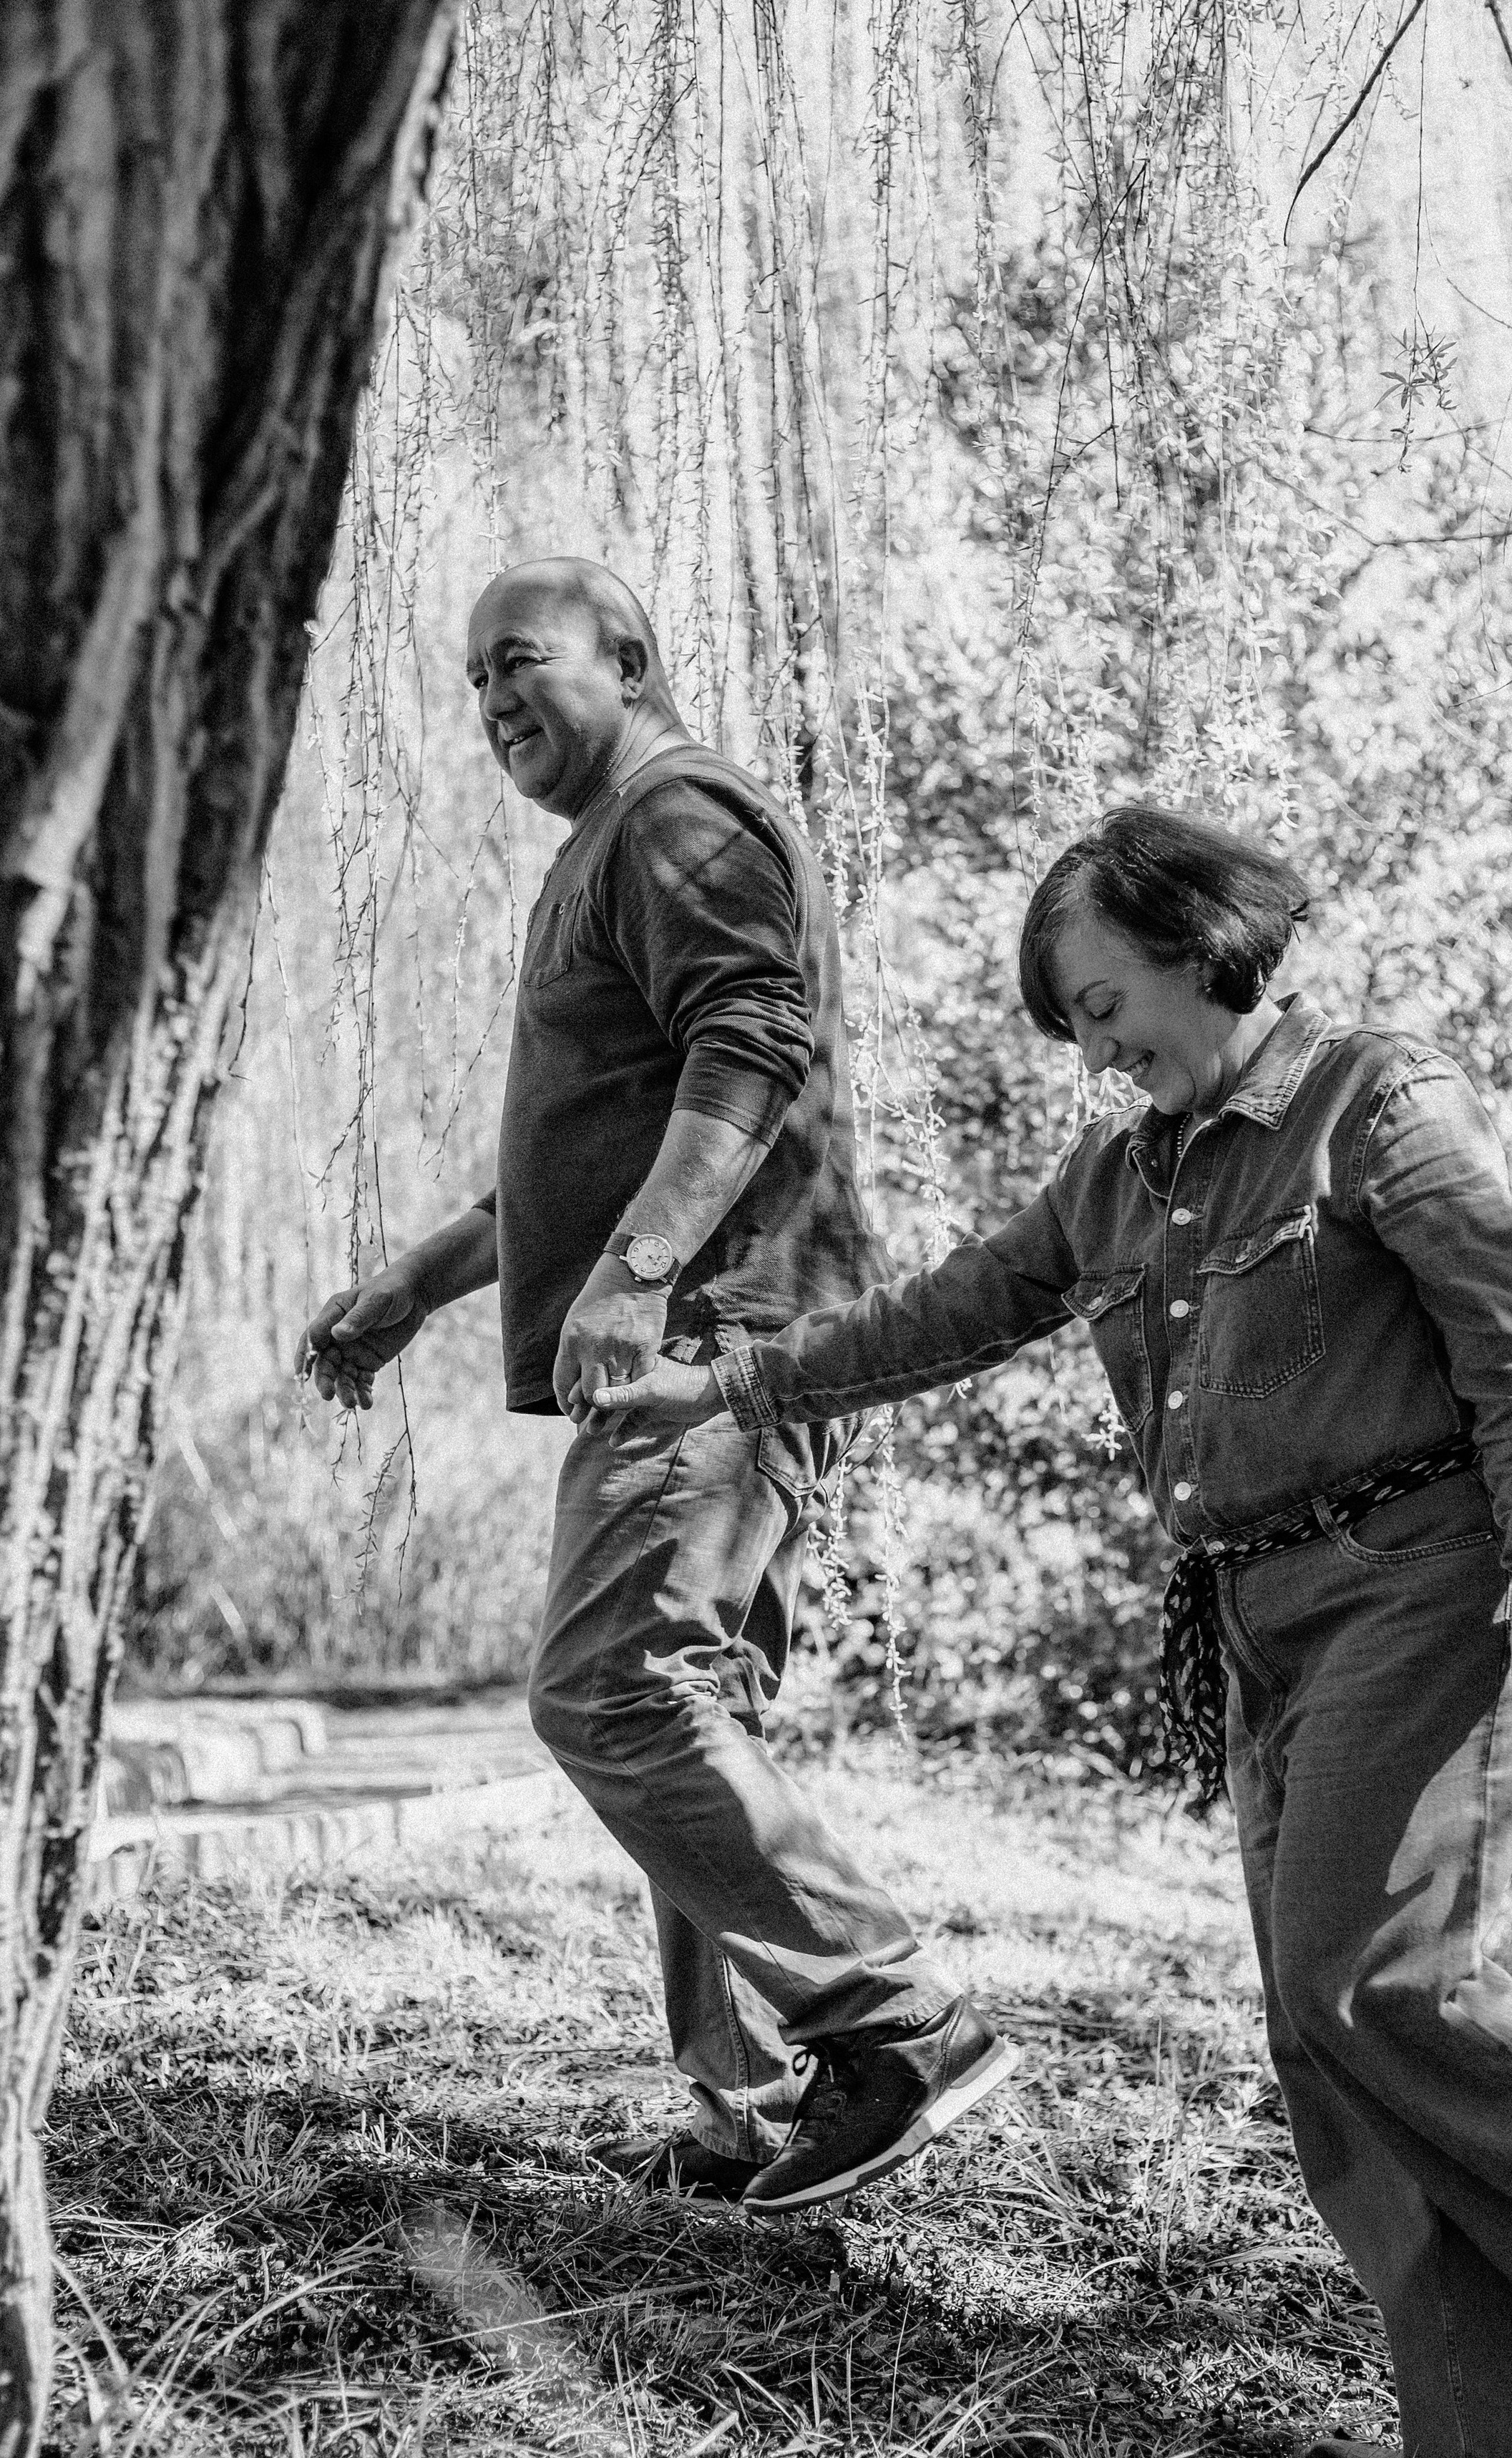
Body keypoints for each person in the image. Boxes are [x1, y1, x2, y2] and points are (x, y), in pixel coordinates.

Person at [594, 801, 1512, 2458]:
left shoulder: (1375, 1102)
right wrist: (732, 1390)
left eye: (1105, 1003)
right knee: (1320, 2031)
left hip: (1424, 1588)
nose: (1094, 1047)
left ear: (1204, 945)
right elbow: (945, 1312)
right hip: (1257, 1616)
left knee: (1379, 1980)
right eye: (1073, 1024)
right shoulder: (1120, 1179)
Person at [294, 557, 1014, 2213]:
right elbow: (576, 1153)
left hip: (706, 1353)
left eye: (518, 664)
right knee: (689, 1711)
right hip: (688, 1339)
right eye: (472, 681)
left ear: (627, 658)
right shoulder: (608, 851)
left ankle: (892, 2020)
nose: (489, 706)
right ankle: (741, 2102)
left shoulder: (679, 817)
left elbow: (750, 1044)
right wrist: (415, 1284)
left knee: (609, 1693)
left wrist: (634, 1278)